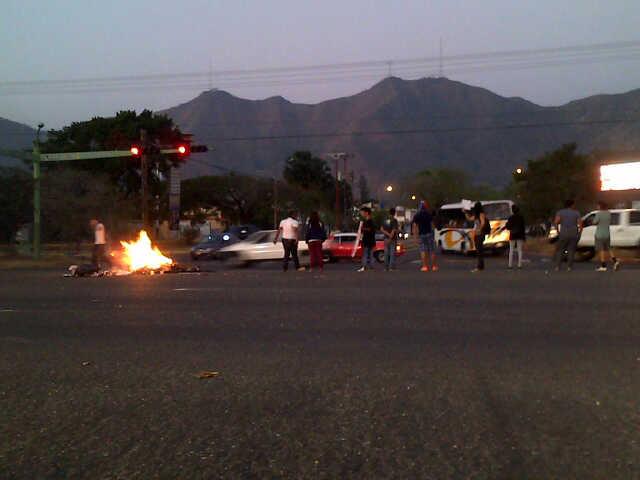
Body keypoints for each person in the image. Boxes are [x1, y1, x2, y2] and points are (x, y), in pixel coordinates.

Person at [553, 199, 582, 272]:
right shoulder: (576, 213)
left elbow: (556, 222)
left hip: (563, 233)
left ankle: (557, 266)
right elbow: (580, 224)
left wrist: (558, 231)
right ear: (572, 205)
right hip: (573, 233)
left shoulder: (560, 212)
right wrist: (579, 233)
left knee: (560, 250)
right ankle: (569, 267)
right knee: (571, 251)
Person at [592, 201, 620, 272]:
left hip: (599, 234)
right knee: (608, 248)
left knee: (601, 250)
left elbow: (594, 222)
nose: (597, 207)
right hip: (607, 234)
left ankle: (603, 266)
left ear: (600, 206)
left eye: (598, 206)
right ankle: (615, 261)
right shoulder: (608, 213)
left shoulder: (599, 213)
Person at [412, 201, 438, 272]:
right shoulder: (429, 214)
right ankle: (434, 266)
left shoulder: (417, 215)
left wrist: (415, 236)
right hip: (429, 234)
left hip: (421, 234)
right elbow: (432, 225)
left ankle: (424, 266)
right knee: (432, 250)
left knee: (423, 250)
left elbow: (415, 226)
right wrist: (434, 235)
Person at [465, 202, 488, 272]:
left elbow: (483, 222)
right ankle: (481, 266)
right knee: (479, 250)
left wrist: (479, 229)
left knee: (479, 250)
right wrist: (465, 212)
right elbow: (469, 219)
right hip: (477, 233)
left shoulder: (481, 214)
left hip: (480, 234)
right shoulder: (477, 215)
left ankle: (479, 266)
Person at [505, 204, 526, 269]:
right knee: (519, 250)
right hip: (520, 235)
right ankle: (519, 265)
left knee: (511, 250)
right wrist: (524, 236)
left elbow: (507, 227)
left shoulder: (511, 218)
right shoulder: (521, 217)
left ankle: (510, 265)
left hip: (513, 235)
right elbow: (523, 227)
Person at [357, 207, 376, 272]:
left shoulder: (369, 221)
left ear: (366, 213)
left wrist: (362, 228)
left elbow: (370, 229)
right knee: (370, 254)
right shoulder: (368, 221)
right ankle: (371, 267)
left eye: (362, 212)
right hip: (369, 240)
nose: (361, 214)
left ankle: (364, 267)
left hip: (368, 240)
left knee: (366, 254)